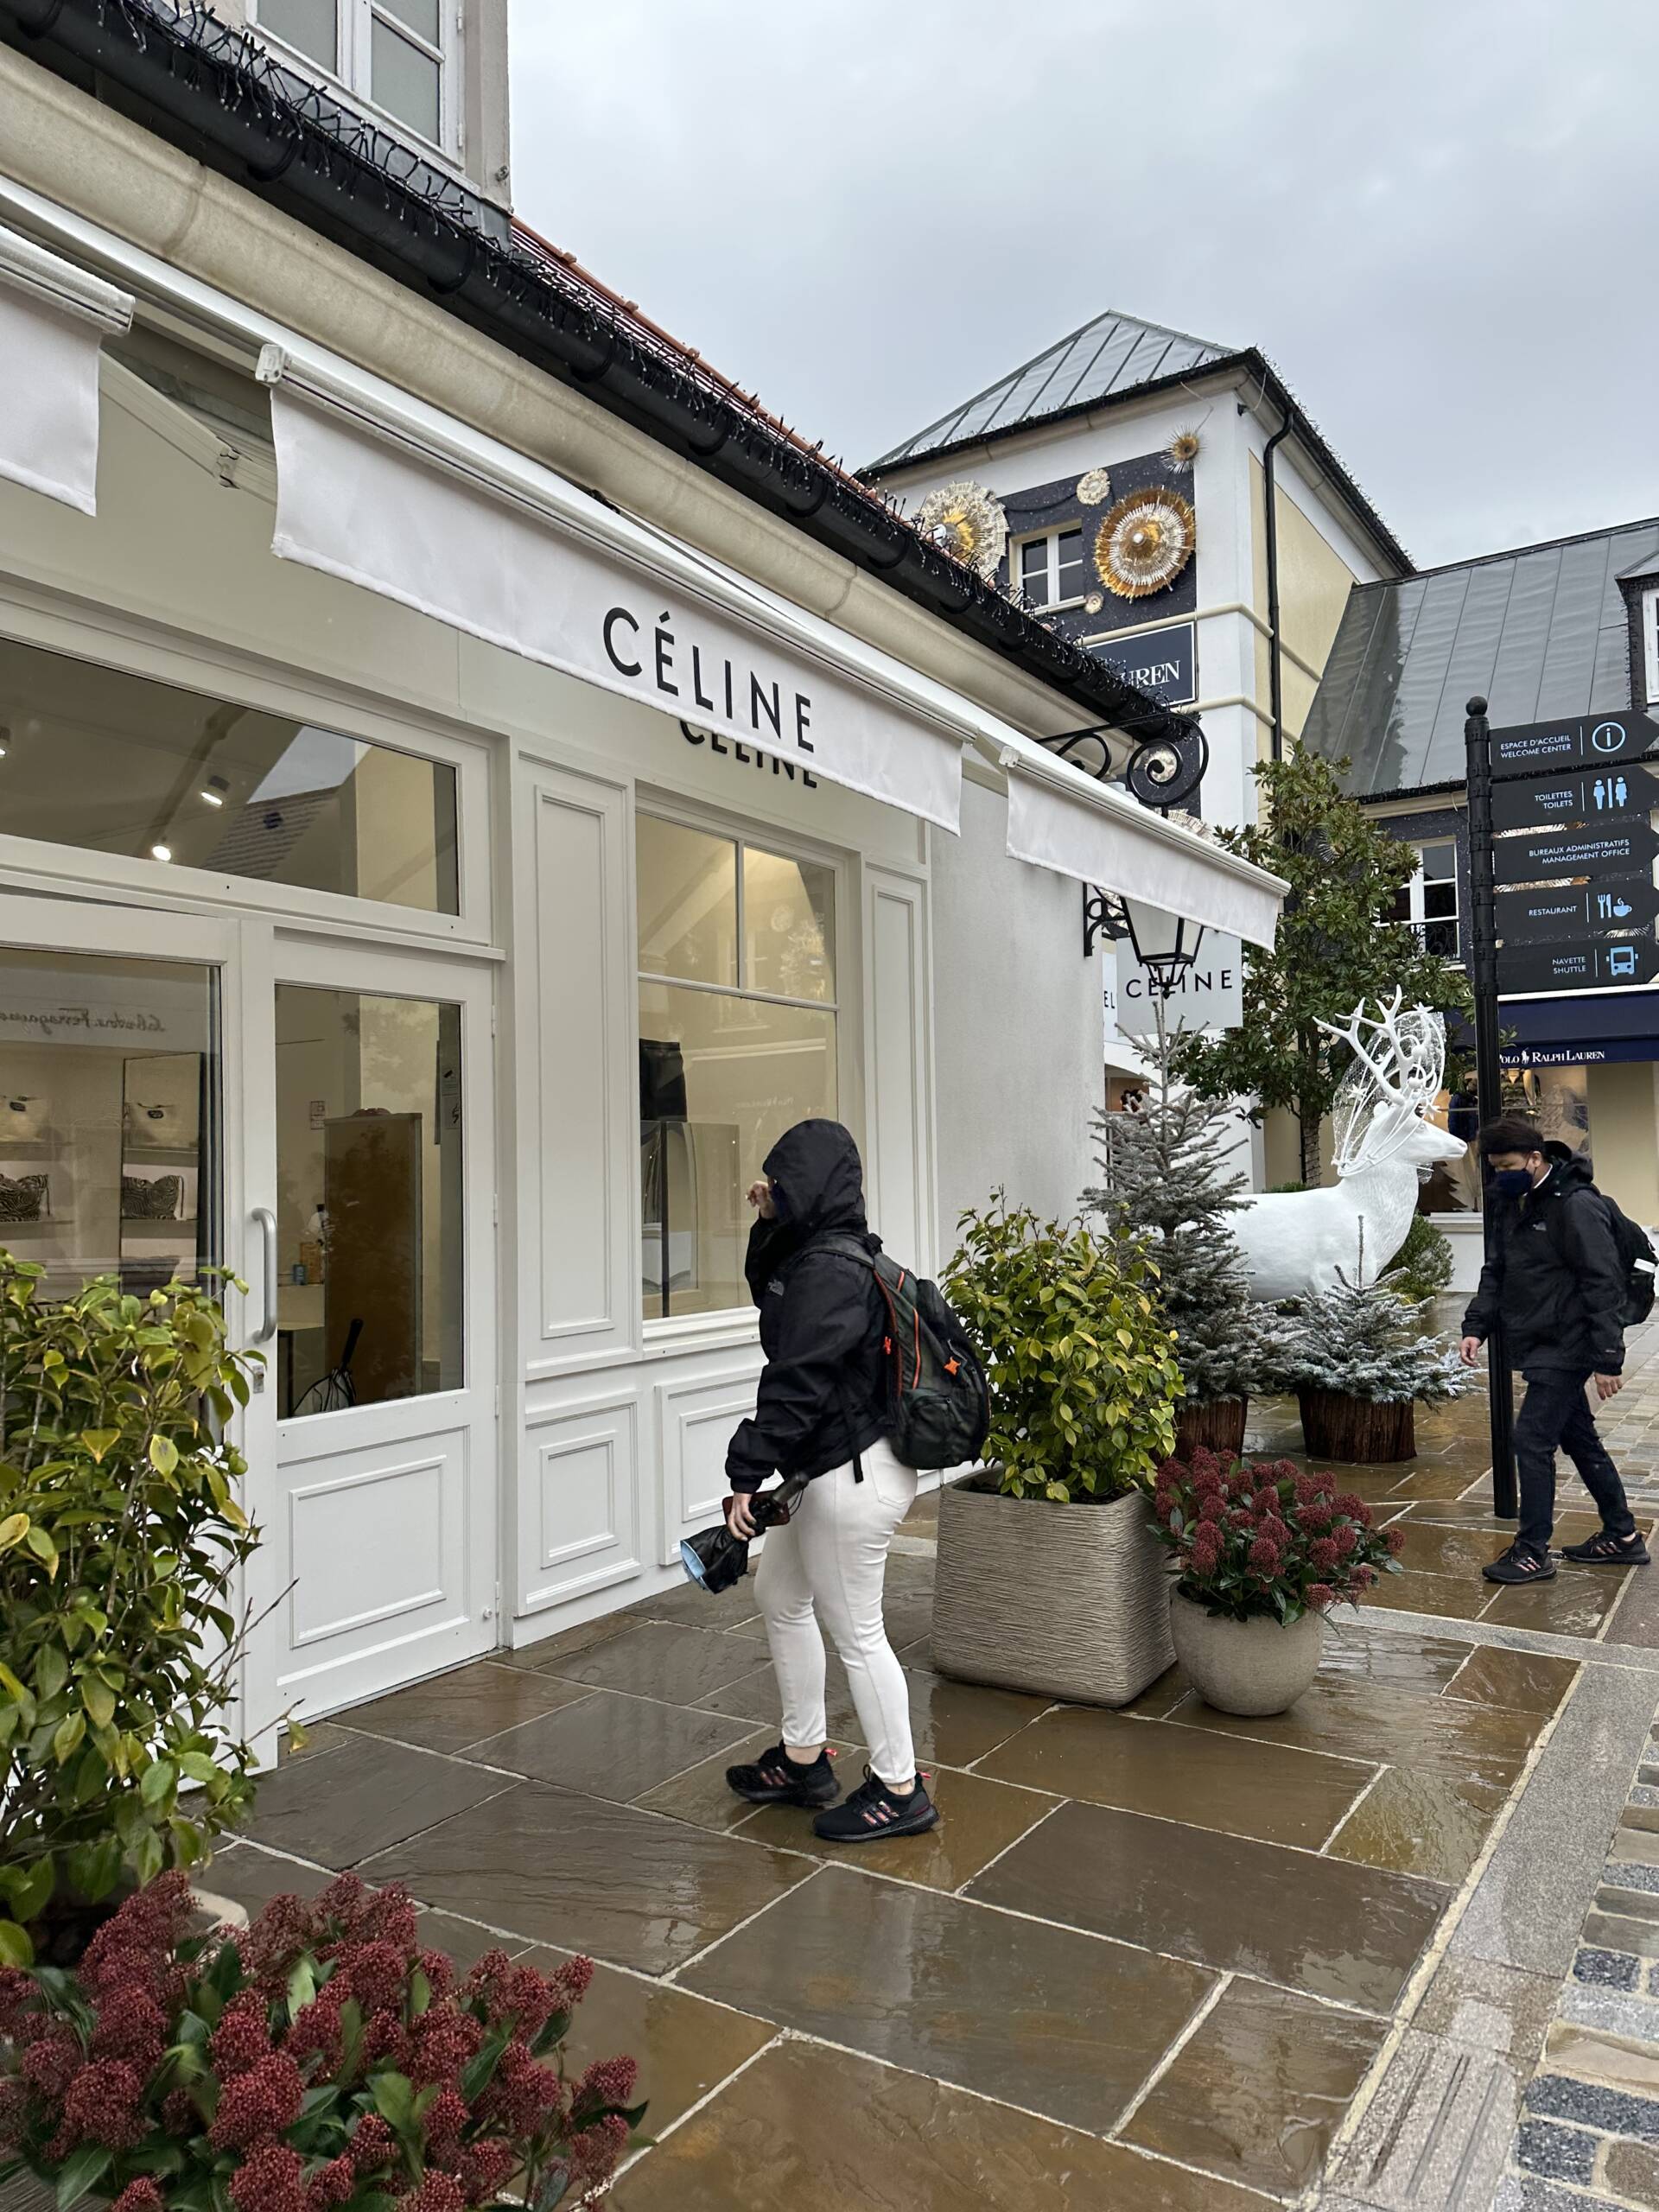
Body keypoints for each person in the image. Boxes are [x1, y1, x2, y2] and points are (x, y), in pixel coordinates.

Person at [721, 1118, 938, 1841]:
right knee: (780, 1594)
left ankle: (901, 1789)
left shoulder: (832, 1272)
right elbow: (768, 1294)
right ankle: (803, 1757)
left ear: (809, 1184)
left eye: (783, 1182)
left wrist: (746, 1471)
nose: (774, 1189)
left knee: (857, 1631)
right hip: (826, 1469)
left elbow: (796, 1378)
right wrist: (768, 1220)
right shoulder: (822, 1255)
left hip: (853, 1474)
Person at [1459, 1116, 1648, 1583]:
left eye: (1508, 1166)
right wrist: (1476, 1327)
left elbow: (1601, 1281)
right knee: (1577, 1437)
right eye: (1494, 1168)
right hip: (1539, 1337)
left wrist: (1608, 1357)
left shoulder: (1575, 1205)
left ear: (1536, 1158)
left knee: (1531, 1439)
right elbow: (1495, 1270)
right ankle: (1623, 1536)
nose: (1501, 1175)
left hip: (1570, 1341)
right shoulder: (1513, 1202)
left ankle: (1532, 1550)